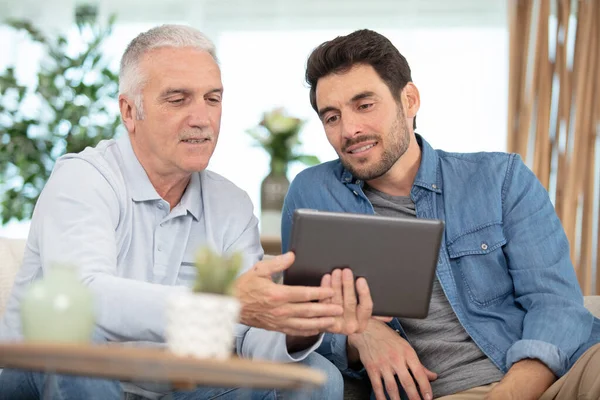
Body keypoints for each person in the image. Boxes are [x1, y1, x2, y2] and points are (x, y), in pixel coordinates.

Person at [0, 25, 376, 400]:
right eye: (178, 99)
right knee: (75, 335)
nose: (202, 118)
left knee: (316, 377)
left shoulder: (230, 204)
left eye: (212, 99)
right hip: (46, 377)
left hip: (174, 388)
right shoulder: (84, 178)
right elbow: (86, 298)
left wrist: (300, 324)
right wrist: (225, 302)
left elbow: (248, 335)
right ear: (130, 111)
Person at [281, 29, 600, 400]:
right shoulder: (313, 194)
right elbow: (299, 328)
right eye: (331, 117)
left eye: (364, 105)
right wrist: (359, 332)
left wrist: (510, 393)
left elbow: (555, 303)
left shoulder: (501, 179)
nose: (349, 130)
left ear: (410, 100)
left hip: (549, 376)